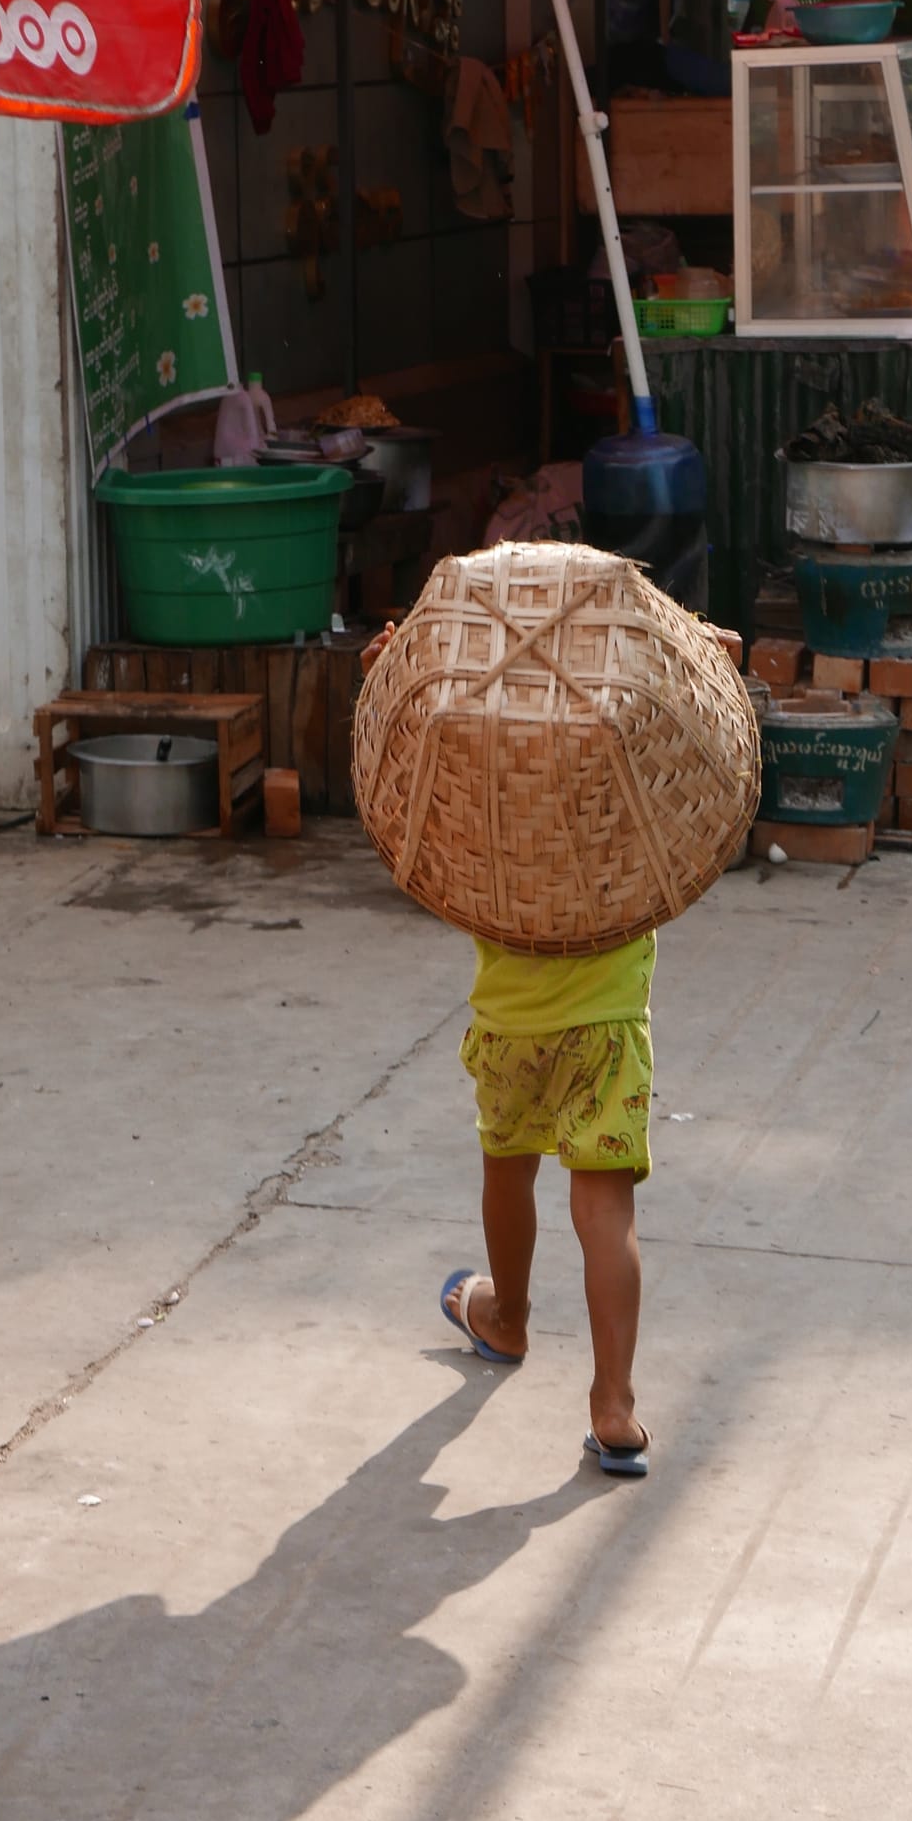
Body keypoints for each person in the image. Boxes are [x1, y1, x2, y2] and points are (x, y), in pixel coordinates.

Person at [361, 623, 653, 1479]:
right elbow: (696, 747)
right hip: (607, 1024)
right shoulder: (630, 783)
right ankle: (614, 1404)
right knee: (605, 1208)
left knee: (508, 1165)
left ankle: (508, 1316)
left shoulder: (486, 793)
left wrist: (390, 677)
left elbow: (404, 777)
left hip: (511, 1023)